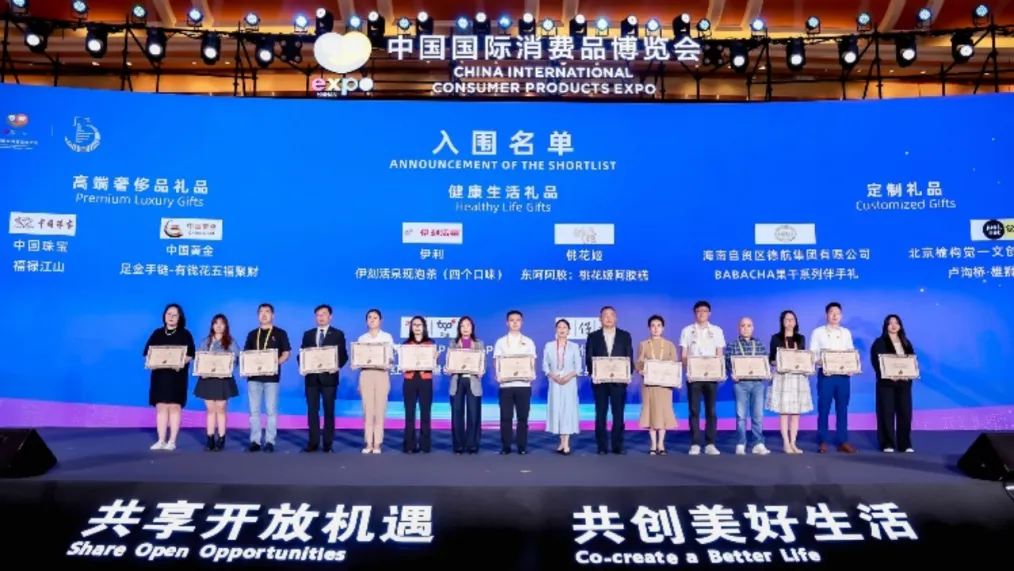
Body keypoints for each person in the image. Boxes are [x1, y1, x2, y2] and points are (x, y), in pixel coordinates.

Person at [144, 303, 195, 451]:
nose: (171, 317)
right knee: (161, 407)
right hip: (160, 376)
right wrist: (152, 362)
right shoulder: (157, 333)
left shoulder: (185, 334)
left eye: (174, 315)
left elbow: (191, 354)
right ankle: (161, 440)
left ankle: (172, 441)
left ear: (180, 317)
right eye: (168, 314)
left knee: (174, 407)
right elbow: (147, 353)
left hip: (177, 376)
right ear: (164, 316)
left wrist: (180, 362)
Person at [585, 306, 636, 455]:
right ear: (600, 319)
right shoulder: (593, 336)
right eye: (605, 315)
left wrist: (627, 374)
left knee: (618, 414)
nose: (608, 318)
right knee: (600, 414)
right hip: (599, 382)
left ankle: (617, 446)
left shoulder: (624, 336)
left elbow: (629, 356)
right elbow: (589, 357)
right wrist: (594, 374)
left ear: (616, 318)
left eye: (611, 315)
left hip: (619, 382)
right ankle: (601, 446)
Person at [242, 303, 292, 453]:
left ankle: (270, 441)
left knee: (271, 411)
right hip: (253, 378)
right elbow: (246, 355)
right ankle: (255, 441)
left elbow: (286, 353)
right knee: (254, 411)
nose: (264, 314)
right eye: (261, 312)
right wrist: (246, 368)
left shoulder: (280, 333)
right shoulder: (252, 334)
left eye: (267, 312)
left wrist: (275, 363)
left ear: (273, 315)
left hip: (272, 378)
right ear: (258, 315)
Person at [299, 304, 349, 453]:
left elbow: (343, 355)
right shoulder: (308, 334)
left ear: (330, 317)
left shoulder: (338, 334)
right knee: (312, 411)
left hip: (329, 378)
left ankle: (328, 443)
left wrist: (336, 366)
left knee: (329, 411)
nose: (321, 317)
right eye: (318, 315)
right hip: (311, 379)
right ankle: (313, 443)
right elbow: (302, 354)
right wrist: (302, 365)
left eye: (324, 314)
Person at [679, 300, 726, 455]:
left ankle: (710, 443)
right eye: (698, 311)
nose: (702, 314)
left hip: (711, 378)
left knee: (711, 411)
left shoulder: (717, 331)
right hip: (694, 378)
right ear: (695, 313)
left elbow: (719, 355)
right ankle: (695, 443)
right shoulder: (687, 331)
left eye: (704, 311)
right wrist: (692, 368)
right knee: (694, 410)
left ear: (709, 313)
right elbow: (683, 356)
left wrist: (718, 371)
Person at [810, 302, 858, 454]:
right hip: (826, 376)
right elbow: (812, 355)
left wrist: (851, 367)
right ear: (826, 315)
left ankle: (842, 441)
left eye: (838, 313)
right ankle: (823, 440)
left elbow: (850, 353)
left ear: (841, 316)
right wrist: (824, 365)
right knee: (824, 408)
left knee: (842, 409)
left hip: (843, 377)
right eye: (832, 312)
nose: (835, 315)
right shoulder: (818, 332)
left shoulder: (846, 333)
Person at [767, 310, 813, 454]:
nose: (789, 322)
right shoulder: (776, 338)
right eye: (786, 319)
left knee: (796, 413)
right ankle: (786, 443)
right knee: (784, 412)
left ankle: (793, 443)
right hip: (783, 377)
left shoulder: (801, 338)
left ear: (796, 321)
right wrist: (779, 362)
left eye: (792, 319)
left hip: (798, 377)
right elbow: (771, 359)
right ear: (782, 322)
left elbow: (803, 357)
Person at [193, 313, 240, 451]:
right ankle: (210, 439)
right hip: (207, 379)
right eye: (216, 323)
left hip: (223, 379)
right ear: (212, 325)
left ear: (226, 326)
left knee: (220, 408)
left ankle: (221, 438)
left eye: (222, 323)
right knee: (210, 409)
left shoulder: (231, 342)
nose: (219, 326)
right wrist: (202, 371)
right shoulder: (206, 341)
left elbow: (236, 359)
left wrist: (226, 369)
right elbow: (200, 359)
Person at [493, 310, 537, 455]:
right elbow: (497, 361)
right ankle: (506, 446)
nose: (515, 323)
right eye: (512, 320)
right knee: (506, 417)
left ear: (522, 322)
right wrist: (498, 375)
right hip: (506, 385)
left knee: (522, 417)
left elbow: (532, 361)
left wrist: (531, 374)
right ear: (507, 323)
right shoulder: (501, 342)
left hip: (523, 385)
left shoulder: (528, 342)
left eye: (518, 320)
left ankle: (521, 446)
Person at [870, 314, 916, 453]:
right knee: (886, 413)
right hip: (886, 384)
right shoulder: (879, 342)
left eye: (896, 323)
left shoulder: (906, 342)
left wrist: (909, 374)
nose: (894, 325)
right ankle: (887, 443)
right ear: (886, 326)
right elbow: (876, 362)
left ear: (900, 325)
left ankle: (905, 444)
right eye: (890, 323)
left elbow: (912, 361)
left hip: (904, 383)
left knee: (905, 413)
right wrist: (888, 375)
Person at [725, 317, 770, 455]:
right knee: (741, 416)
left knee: (758, 415)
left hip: (757, 384)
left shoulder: (759, 344)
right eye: (743, 325)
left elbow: (765, 362)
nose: (746, 328)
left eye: (749, 325)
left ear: (753, 328)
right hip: (740, 384)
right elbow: (727, 363)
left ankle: (758, 443)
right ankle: (740, 444)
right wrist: (732, 373)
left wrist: (767, 372)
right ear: (739, 328)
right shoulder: (732, 345)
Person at [635, 315, 678, 455]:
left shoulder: (669, 345)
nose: (656, 328)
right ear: (649, 328)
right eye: (653, 326)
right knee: (651, 413)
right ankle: (653, 444)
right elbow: (639, 363)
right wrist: (640, 370)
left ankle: (661, 444)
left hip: (664, 385)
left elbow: (674, 365)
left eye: (658, 325)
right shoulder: (643, 344)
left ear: (663, 328)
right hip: (649, 385)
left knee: (663, 413)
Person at [354, 308, 395, 454]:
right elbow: (358, 358)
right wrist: (356, 363)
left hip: (381, 374)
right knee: (368, 410)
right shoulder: (362, 339)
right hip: (366, 374)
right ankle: (368, 443)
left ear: (380, 320)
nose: (372, 320)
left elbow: (390, 358)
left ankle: (377, 443)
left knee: (380, 410)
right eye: (369, 317)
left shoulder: (387, 337)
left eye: (375, 317)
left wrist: (386, 362)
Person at [543, 319, 581, 455]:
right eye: (559, 327)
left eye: (565, 327)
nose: (562, 330)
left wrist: (567, 377)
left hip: (569, 382)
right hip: (555, 382)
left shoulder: (574, 347)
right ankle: (561, 441)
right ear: (556, 330)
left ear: (569, 330)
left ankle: (566, 443)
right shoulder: (549, 346)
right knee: (557, 410)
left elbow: (578, 367)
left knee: (567, 410)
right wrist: (554, 376)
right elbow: (545, 365)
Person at [448, 317, 484, 455]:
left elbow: (482, 363)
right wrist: (449, 369)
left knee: (473, 414)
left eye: (468, 325)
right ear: (459, 328)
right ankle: (458, 445)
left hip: (473, 380)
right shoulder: (453, 343)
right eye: (462, 326)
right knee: (457, 413)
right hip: (457, 380)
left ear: (472, 327)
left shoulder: (479, 344)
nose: (465, 328)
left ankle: (472, 445)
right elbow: (449, 362)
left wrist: (481, 371)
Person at [402, 316, 437, 454]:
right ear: (411, 328)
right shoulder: (406, 345)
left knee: (425, 413)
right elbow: (403, 364)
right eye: (414, 325)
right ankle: (409, 445)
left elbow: (433, 365)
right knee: (409, 413)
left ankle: (424, 445)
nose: (417, 327)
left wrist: (434, 358)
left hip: (425, 380)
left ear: (424, 327)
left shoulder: (430, 344)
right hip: (410, 379)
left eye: (419, 325)